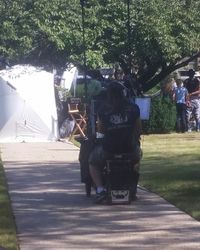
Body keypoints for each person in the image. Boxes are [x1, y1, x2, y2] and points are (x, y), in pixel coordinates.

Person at [89, 82, 142, 203]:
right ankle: (133, 187)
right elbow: (138, 129)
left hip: (108, 150)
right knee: (138, 158)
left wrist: (97, 136)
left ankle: (100, 189)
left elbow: (101, 131)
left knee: (93, 162)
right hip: (130, 150)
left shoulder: (103, 109)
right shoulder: (134, 108)